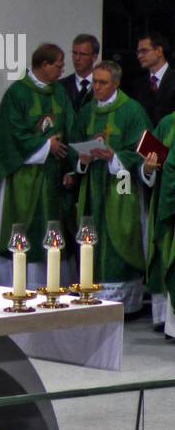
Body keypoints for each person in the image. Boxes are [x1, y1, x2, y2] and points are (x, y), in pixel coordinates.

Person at [0, 44, 77, 290]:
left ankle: (51, 286)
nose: (63, 69)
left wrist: (70, 164)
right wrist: (46, 146)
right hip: (21, 178)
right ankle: (19, 287)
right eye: (58, 64)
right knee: (22, 230)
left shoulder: (60, 93)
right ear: (44, 65)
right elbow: (9, 136)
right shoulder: (18, 93)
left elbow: (71, 129)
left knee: (51, 231)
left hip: (52, 177)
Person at [71, 61, 151, 312]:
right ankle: (93, 297)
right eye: (94, 81)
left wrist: (113, 157)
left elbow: (143, 151)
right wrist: (81, 161)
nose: (96, 87)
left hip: (122, 186)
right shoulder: (86, 112)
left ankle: (125, 305)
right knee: (92, 239)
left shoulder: (132, 111)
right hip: (93, 187)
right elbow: (74, 145)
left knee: (122, 236)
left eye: (102, 82)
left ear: (116, 83)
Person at [143, 105, 175, 335]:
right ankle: (168, 321)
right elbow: (147, 166)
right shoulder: (167, 123)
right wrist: (148, 169)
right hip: (166, 201)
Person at [136, 32, 173, 126]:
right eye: (138, 52)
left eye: (144, 51)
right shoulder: (139, 84)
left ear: (159, 51)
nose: (139, 56)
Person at [60, 34, 100, 111]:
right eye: (74, 53)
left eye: (83, 54)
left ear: (94, 57)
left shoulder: (105, 85)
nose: (77, 58)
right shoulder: (61, 86)